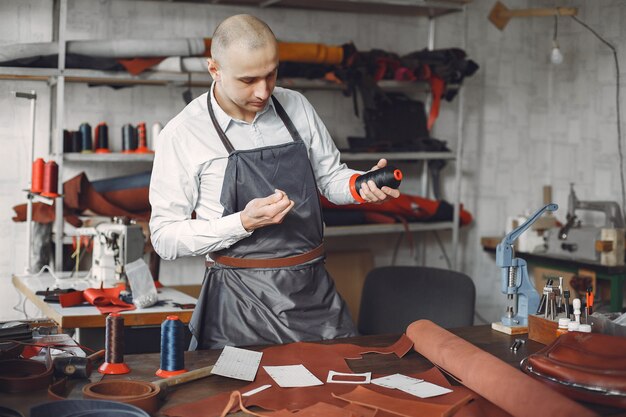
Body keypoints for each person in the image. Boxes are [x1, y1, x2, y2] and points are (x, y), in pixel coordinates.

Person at [149, 14, 400, 350]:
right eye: (248, 80)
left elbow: (330, 179)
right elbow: (164, 238)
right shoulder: (183, 134)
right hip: (239, 304)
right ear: (214, 69)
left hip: (313, 295)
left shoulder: (297, 106)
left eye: (271, 74)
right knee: (244, 399)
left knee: (336, 390)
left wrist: (359, 186)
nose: (264, 91)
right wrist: (242, 223)